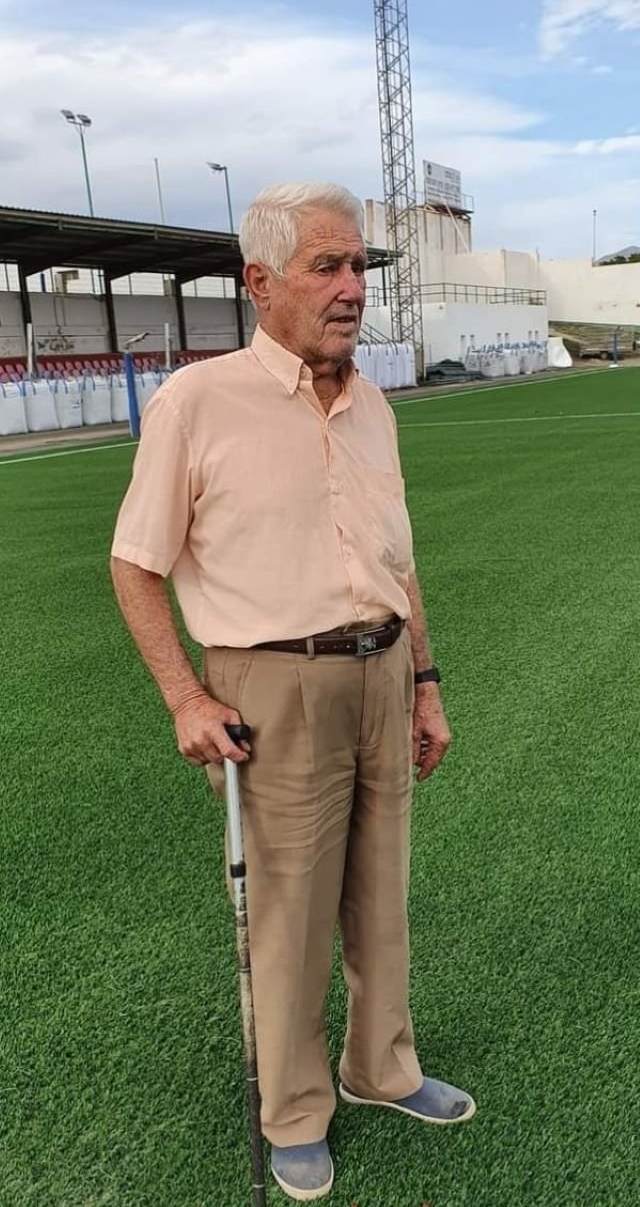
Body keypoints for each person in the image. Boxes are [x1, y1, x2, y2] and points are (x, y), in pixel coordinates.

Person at [110, 182, 475, 1202]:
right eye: (327, 266)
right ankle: (295, 1112)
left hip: (382, 667)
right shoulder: (196, 400)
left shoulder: (372, 408)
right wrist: (185, 695)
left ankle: (381, 1069)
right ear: (260, 283)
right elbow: (136, 560)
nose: (351, 286)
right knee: (288, 910)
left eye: (358, 265)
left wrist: (426, 684)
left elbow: (396, 564)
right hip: (269, 684)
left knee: (379, 896)